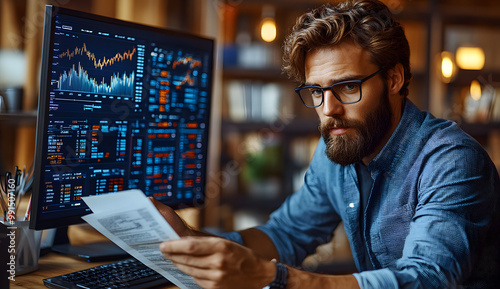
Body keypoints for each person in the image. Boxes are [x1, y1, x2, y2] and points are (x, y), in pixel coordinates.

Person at [154, 0, 500, 288]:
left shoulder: (451, 160)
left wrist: (270, 277)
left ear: (393, 79)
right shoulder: (337, 149)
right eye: (316, 92)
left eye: (348, 87)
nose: (329, 109)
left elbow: (428, 278)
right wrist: (190, 239)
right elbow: (287, 234)